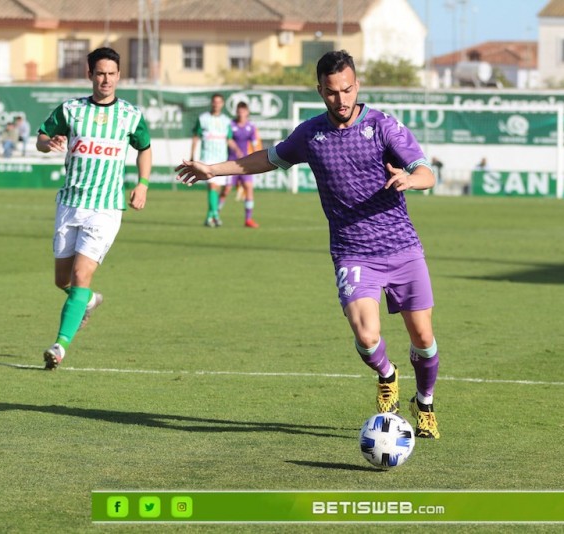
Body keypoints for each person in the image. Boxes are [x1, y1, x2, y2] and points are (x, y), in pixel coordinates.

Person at [176, 50, 441, 439]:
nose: (342, 99)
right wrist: (212, 169)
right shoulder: (310, 134)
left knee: (423, 338)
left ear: (357, 85)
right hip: (353, 251)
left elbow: (426, 172)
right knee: (367, 337)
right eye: (332, 92)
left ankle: (425, 403)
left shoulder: (384, 126)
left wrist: (409, 179)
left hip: (402, 247)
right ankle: (387, 375)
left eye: (348, 90)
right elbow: (267, 159)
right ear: (320, 91)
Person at [36, 46, 152, 370]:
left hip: (106, 208)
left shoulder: (130, 115)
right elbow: (42, 137)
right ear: (90, 75)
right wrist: (50, 143)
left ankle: (59, 347)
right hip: (70, 203)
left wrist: (142, 184)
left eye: (111, 74)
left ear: (119, 76)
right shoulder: (71, 110)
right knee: (63, 281)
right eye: (100, 73)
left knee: (80, 274)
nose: (105, 79)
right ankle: (87, 301)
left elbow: (145, 148)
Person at [190, 93, 239, 227]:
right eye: (214, 102)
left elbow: (228, 139)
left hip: (221, 159)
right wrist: (192, 155)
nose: (216, 104)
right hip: (207, 158)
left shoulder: (226, 121)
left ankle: (210, 217)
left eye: (219, 102)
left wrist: (238, 151)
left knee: (217, 188)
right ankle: (216, 215)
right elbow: (196, 137)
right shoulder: (203, 118)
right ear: (211, 103)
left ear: (222, 104)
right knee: (212, 185)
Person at [228, 101, 262, 228]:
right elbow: (228, 139)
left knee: (248, 188)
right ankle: (215, 214)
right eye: (239, 111)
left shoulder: (251, 127)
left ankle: (248, 219)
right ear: (236, 112)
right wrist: (236, 150)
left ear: (247, 112)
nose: (241, 113)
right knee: (226, 190)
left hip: (245, 163)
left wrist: (257, 157)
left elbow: (254, 143)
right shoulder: (231, 125)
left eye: (243, 111)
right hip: (230, 162)